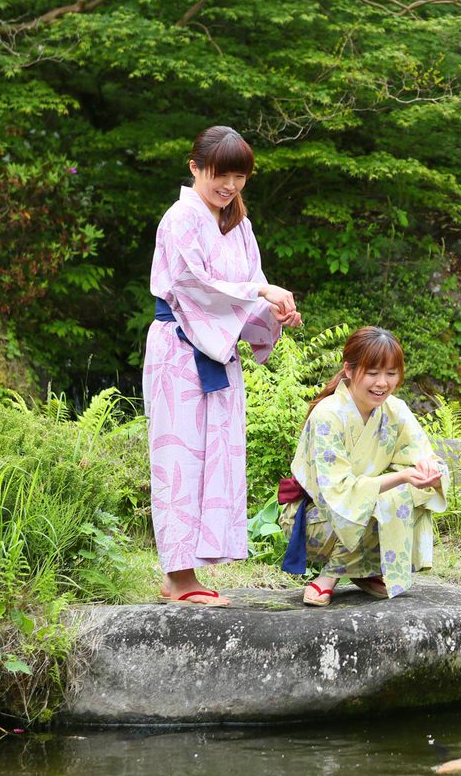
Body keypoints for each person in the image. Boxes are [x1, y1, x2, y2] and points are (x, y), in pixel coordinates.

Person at [144, 126, 303, 607]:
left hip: (218, 349)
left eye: (240, 176)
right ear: (195, 168)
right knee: (178, 461)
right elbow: (194, 284)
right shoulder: (180, 218)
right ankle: (177, 576)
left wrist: (274, 313)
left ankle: (189, 571)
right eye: (220, 174)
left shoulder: (238, 223)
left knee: (216, 456)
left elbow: (251, 280)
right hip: (179, 349)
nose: (230, 185)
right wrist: (261, 294)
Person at [281, 327, 448, 606]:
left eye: (391, 374)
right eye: (372, 373)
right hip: (317, 519)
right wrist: (402, 478)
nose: (382, 383)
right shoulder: (328, 415)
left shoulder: (396, 410)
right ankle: (331, 574)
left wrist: (428, 470)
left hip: (364, 509)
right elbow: (336, 493)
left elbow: (422, 454)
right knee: (383, 499)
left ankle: (363, 570)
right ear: (348, 369)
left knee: (419, 493)